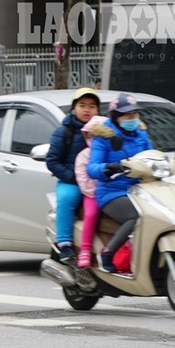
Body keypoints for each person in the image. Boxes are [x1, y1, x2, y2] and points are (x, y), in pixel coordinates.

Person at [88, 93, 153, 273]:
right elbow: (92, 167)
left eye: (135, 114)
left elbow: (152, 156)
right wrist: (107, 168)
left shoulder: (141, 134)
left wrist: (170, 163)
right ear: (116, 117)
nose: (132, 118)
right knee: (137, 215)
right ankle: (108, 253)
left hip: (140, 190)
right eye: (127, 115)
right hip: (112, 191)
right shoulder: (104, 137)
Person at [45, 87, 100, 262]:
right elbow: (52, 161)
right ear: (74, 108)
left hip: (100, 183)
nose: (87, 109)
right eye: (82, 105)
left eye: (92, 106)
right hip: (71, 182)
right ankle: (65, 245)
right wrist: (74, 177)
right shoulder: (64, 132)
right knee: (67, 200)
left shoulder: (105, 131)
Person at [74, 115, 109, 268]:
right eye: (91, 135)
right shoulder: (83, 156)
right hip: (93, 194)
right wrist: (98, 189)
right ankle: (85, 250)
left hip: (112, 191)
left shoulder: (112, 152)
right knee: (91, 214)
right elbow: (83, 180)